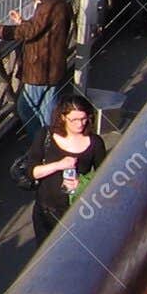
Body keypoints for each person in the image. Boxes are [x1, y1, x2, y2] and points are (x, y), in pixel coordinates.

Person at [0, 0, 72, 141]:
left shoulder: (46, 6)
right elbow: (43, 30)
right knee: (48, 111)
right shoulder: (61, 4)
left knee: (25, 108)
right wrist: (22, 22)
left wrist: (1, 29)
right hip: (55, 68)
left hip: (40, 69)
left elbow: (32, 31)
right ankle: (50, 145)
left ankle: (40, 144)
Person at [23, 93, 105, 241]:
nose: (80, 124)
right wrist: (59, 165)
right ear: (62, 117)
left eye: (83, 119)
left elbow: (104, 177)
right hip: (45, 210)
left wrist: (82, 184)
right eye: (74, 120)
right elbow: (32, 172)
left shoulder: (95, 143)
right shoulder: (45, 135)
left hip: (77, 212)